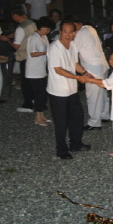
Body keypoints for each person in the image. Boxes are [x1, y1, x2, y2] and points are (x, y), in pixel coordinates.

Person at [46, 21, 91, 159]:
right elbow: (58, 70)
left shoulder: (72, 45)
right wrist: (78, 78)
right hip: (58, 92)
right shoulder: (54, 48)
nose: (67, 34)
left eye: (70, 32)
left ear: (74, 33)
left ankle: (75, 144)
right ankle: (61, 150)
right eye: (64, 31)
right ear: (60, 32)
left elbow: (74, 63)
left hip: (72, 90)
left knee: (77, 117)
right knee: (61, 122)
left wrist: (84, 73)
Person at [84, 49, 113, 157]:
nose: (112, 61)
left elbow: (105, 84)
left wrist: (89, 80)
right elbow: (104, 84)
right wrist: (93, 79)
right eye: (110, 59)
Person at [69, 15, 109, 131]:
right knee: (102, 94)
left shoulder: (80, 34)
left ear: (76, 24)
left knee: (92, 97)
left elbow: (72, 49)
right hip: (102, 64)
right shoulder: (90, 28)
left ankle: (94, 123)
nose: (71, 32)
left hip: (92, 68)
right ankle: (104, 115)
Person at [26, 17, 54, 126]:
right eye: (47, 29)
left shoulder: (44, 37)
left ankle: (41, 115)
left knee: (43, 93)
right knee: (39, 94)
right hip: (34, 71)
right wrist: (46, 53)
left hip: (41, 70)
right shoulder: (33, 37)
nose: (48, 32)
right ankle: (38, 117)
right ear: (41, 28)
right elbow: (33, 53)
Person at [9, 7, 38, 113]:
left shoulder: (20, 28)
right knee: (33, 80)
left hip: (25, 56)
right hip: (33, 55)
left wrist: (8, 40)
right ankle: (35, 100)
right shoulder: (32, 23)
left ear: (16, 16)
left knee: (25, 82)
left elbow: (16, 46)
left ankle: (28, 104)